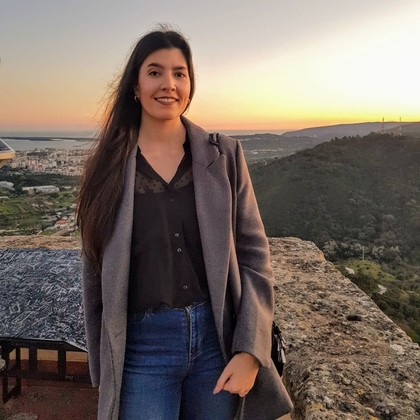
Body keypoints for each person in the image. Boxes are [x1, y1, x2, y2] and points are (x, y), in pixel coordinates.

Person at [77, 27, 293, 420]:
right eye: (155, 72)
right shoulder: (107, 167)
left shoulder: (224, 156)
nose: (169, 84)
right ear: (135, 86)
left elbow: (254, 258)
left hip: (216, 343)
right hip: (141, 349)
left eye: (180, 73)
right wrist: (103, 365)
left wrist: (250, 350)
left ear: (190, 84)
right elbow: (94, 271)